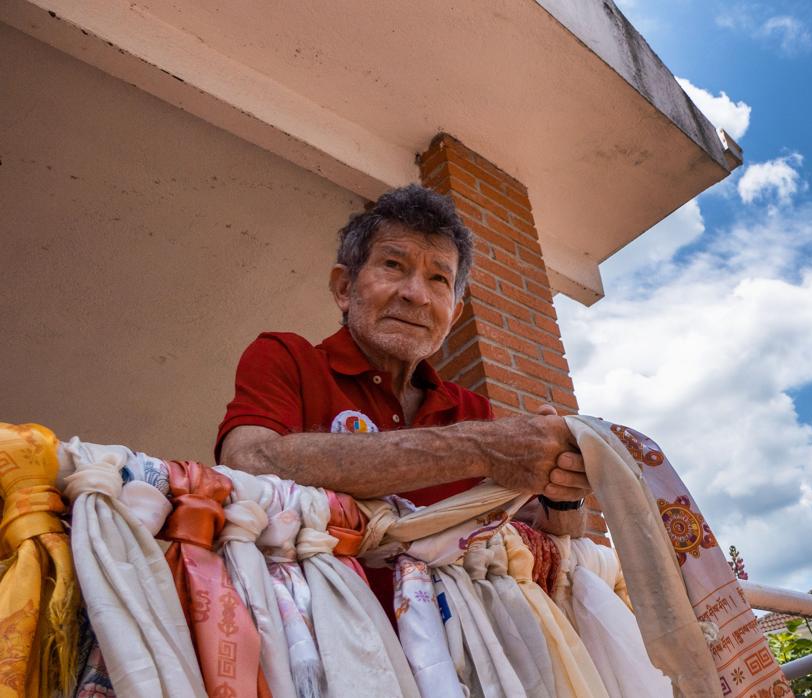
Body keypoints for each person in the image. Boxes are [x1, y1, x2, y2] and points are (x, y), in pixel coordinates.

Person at [214, 184, 589, 600]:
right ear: (344, 288)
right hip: (308, 634)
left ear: (453, 314)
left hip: (452, 652)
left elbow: (537, 534)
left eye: (438, 278)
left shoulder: (470, 408)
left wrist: (562, 485)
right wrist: (479, 447)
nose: (416, 294)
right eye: (393, 265)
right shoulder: (288, 357)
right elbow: (247, 461)